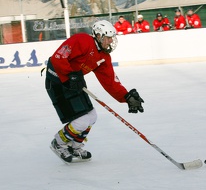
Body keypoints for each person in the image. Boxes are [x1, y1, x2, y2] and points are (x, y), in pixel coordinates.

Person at [45, 20, 144, 163]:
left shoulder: (103, 57)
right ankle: (58, 143)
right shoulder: (83, 40)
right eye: (108, 37)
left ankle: (75, 146)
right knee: (81, 120)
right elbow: (58, 57)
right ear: (98, 35)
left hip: (74, 83)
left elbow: (110, 82)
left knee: (91, 116)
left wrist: (127, 97)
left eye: (112, 38)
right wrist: (69, 75)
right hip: (57, 81)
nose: (111, 41)